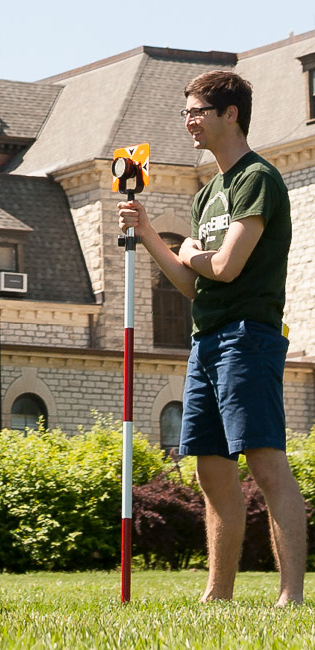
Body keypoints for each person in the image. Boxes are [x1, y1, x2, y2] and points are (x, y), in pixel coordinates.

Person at [118, 70, 304, 607]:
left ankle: (290, 595)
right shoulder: (208, 195)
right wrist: (150, 233)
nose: (188, 122)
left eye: (197, 111)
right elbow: (191, 284)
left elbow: (224, 266)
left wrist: (196, 256)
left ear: (231, 114)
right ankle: (216, 595)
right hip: (206, 341)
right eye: (186, 112)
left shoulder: (257, 180)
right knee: (209, 469)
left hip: (249, 337)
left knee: (266, 464)